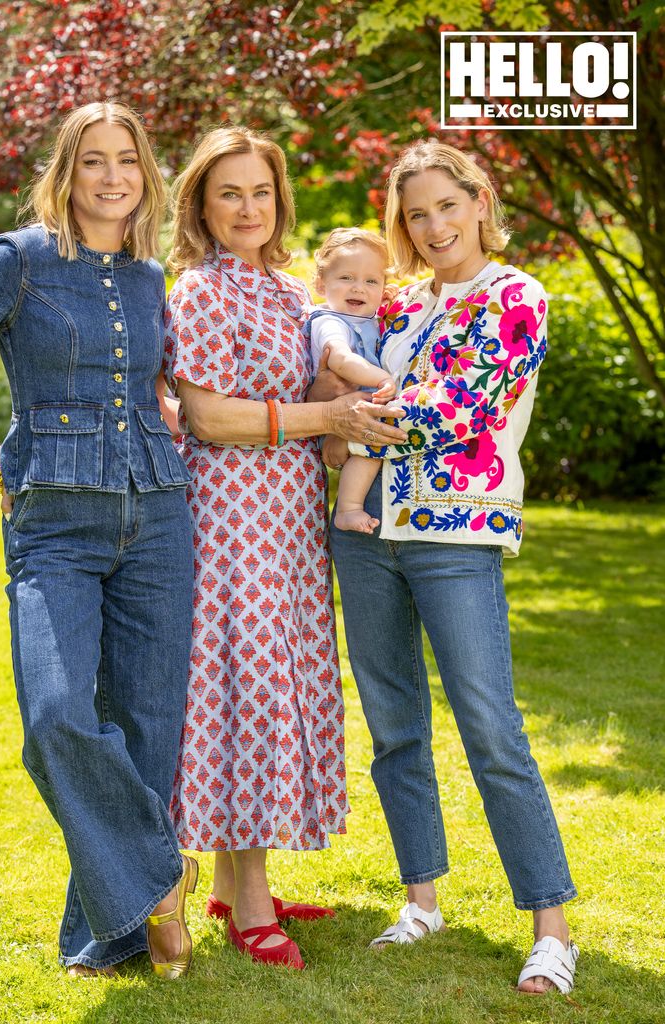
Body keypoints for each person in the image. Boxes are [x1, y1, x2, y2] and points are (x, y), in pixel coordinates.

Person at [0, 101, 199, 979]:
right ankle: (161, 873)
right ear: (64, 174)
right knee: (56, 714)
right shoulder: (18, 259)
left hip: (156, 512)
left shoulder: (149, 278)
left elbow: (149, 389)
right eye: (93, 161)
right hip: (54, 520)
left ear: (145, 176)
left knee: (147, 724)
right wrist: (2, 460)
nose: (113, 178)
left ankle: (110, 934)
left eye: (129, 162)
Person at [324, 140, 579, 995]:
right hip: (364, 537)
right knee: (394, 727)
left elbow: (462, 411)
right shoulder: (398, 309)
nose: (432, 227)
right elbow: (349, 389)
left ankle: (551, 928)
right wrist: (347, 417)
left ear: (477, 200)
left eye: (444, 206)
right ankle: (421, 900)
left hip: (455, 536)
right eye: (415, 214)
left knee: (489, 727)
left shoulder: (516, 296)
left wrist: (352, 416)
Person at [163, 126, 408, 969]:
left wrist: (352, 395)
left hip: (292, 516)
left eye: (260, 191)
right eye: (228, 192)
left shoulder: (285, 289)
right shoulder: (198, 290)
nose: (247, 207)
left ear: (280, 200)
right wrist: (327, 418)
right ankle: (250, 904)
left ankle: (236, 886)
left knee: (276, 678)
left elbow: (300, 387)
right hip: (229, 516)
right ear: (200, 202)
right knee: (246, 685)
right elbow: (210, 417)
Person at [306, 228, 397, 534]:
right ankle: (348, 508)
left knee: (373, 443)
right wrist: (383, 377)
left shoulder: (366, 319)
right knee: (371, 445)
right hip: (342, 411)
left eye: (371, 281)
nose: (359, 288)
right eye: (346, 278)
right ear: (321, 284)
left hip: (362, 406)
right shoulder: (328, 321)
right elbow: (341, 359)